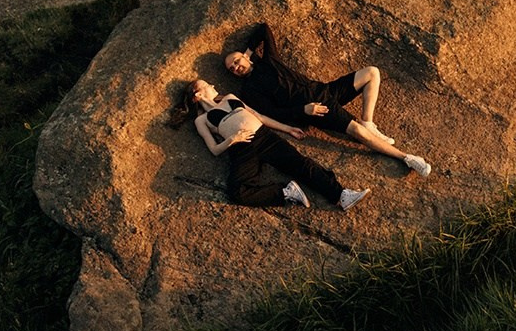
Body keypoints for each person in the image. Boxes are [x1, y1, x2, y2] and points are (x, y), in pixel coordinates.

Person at [224, 21, 431, 178]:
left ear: (245, 57)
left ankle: (368, 121)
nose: (235, 67)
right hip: (315, 107)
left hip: (324, 90)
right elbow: (274, 113)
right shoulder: (249, 91)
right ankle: (406, 158)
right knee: (357, 132)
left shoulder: (269, 60)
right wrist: (303, 111)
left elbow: (264, 29)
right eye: (231, 69)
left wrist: (248, 51)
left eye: (236, 61)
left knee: (372, 72)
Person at [173, 78, 370, 211]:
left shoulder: (230, 98)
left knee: (301, 164)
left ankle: (341, 195)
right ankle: (285, 192)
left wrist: (287, 128)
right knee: (237, 192)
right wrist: (231, 140)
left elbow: (259, 116)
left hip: (264, 137)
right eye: (207, 84)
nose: (213, 85)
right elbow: (214, 149)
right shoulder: (202, 120)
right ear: (197, 95)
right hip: (240, 149)